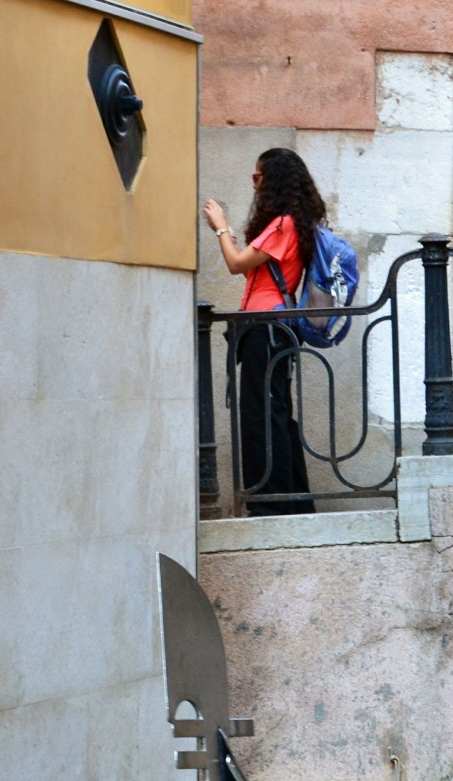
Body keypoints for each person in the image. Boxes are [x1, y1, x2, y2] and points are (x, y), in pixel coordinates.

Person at [201, 148, 323, 516]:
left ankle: (271, 503)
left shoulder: (283, 224)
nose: (253, 183)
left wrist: (220, 227)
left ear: (274, 180)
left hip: (265, 329)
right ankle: (290, 501)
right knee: (275, 414)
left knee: (262, 416)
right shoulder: (290, 223)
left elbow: (236, 264)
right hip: (270, 329)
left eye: (258, 177)